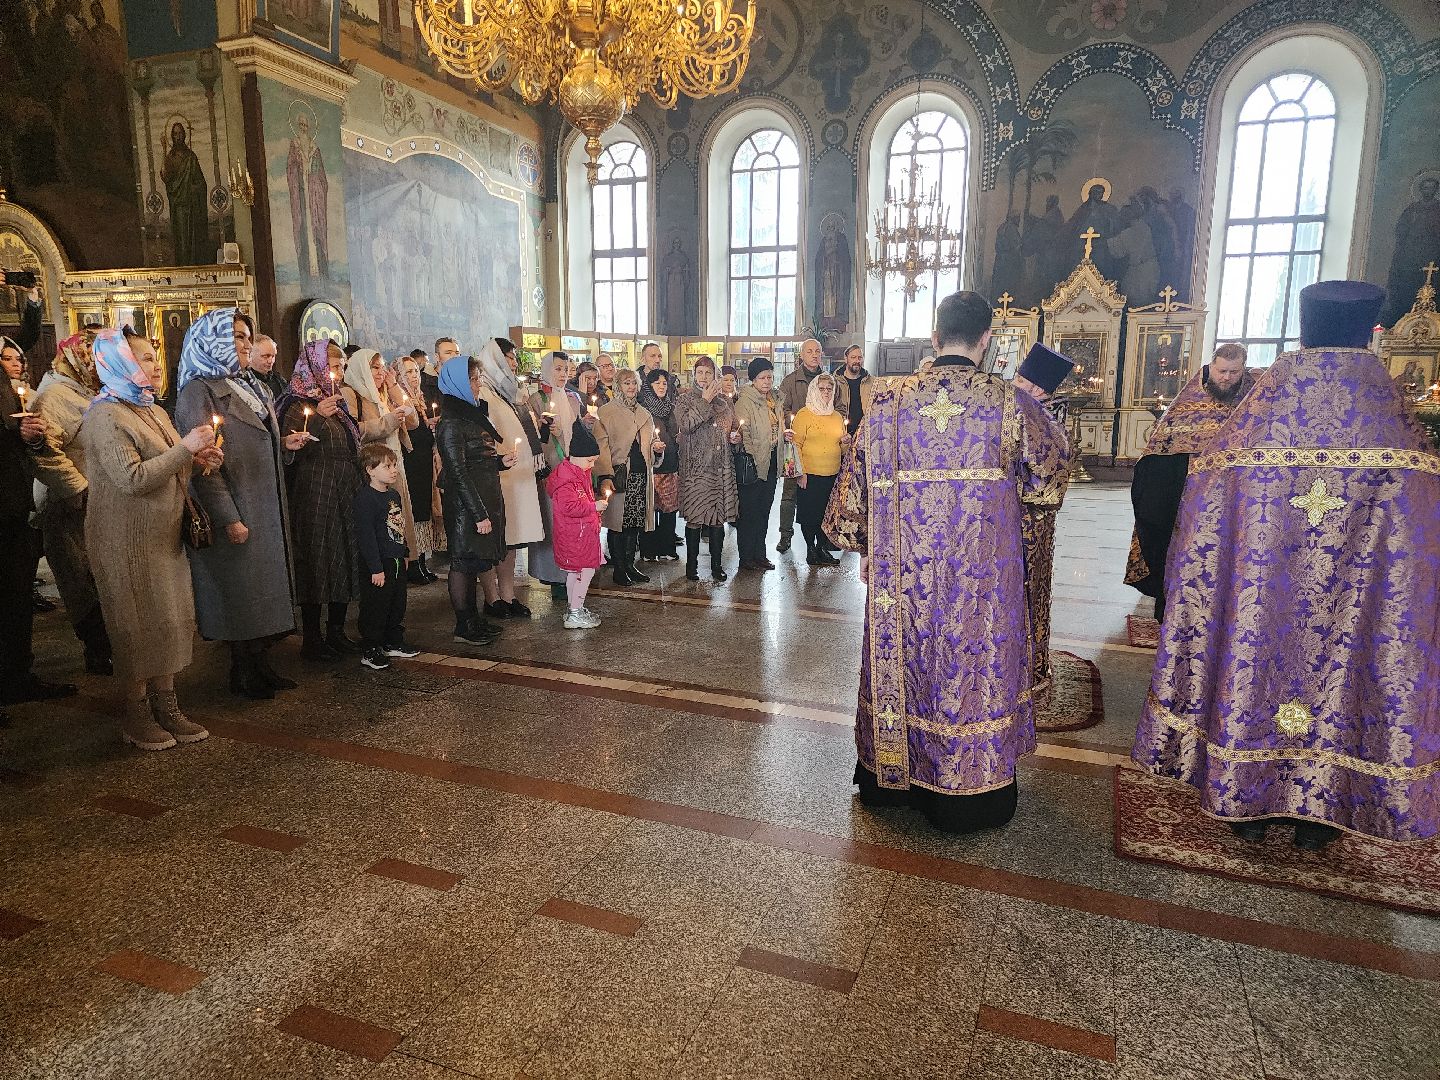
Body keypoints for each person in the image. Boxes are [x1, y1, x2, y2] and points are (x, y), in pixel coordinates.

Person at [1131, 280, 1440, 849]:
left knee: (1259, 662)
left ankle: (1244, 790)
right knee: (1338, 671)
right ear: (1371, 329)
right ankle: (1318, 808)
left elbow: (1202, 509)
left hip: (1263, 592)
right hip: (1350, 602)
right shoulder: (1393, 419)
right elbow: (1419, 536)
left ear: (1305, 326)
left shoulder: (1264, 408)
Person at [825, 291, 1071, 833]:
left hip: (903, 575)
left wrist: (870, 547)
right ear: (986, 340)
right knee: (970, 666)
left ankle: (892, 780)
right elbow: (1051, 480)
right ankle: (968, 791)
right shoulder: (1011, 405)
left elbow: (849, 503)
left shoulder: (887, 405)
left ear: (934, 339)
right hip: (981, 576)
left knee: (910, 658)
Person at [81, 329, 222, 750]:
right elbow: (131, 477)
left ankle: (168, 704)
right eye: (144, 358)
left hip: (163, 537)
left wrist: (200, 460)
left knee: (171, 621)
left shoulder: (151, 409)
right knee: (136, 626)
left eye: (156, 357)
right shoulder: (105, 416)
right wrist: (186, 451)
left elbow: (168, 466)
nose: (156, 365)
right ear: (118, 363)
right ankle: (136, 712)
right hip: (125, 541)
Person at [176, 308, 305, 699]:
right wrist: (227, 517)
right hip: (237, 506)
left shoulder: (253, 385)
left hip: (264, 501)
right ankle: (242, 670)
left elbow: (259, 439)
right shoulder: (198, 391)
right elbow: (204, 466)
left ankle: (262, 665)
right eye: (235, 337)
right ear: (211, 341)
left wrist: (284, 445)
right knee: (241, 594)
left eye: (247, 336)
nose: (245, 344)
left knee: (263, 593)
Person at [1124, 342, 1255, 620]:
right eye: (1221, 371)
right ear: (1211, 365)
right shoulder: (1189, 401)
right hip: (1191, 502)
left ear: (1243, 368)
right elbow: (1160, 446)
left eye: (1233, 372)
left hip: (1239, 499)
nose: (1226, 378)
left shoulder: (1254, 401)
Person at [28, 333, 112, 674]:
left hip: (98, 502)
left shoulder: (86, 391)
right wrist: (76, 489)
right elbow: (44, 451)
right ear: (77, 360)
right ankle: (96, 648)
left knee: (101, 576)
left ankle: (108, 644)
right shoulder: (54, 396)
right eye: (92, 359)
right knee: (79, 578)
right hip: (69, 505)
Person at [275, 339, 363, 661]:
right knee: (317, 560)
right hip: (315, 492)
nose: (337, 374)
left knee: (345, 555)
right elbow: (289, 447)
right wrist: (315, 420)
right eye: (332, 367)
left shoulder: (335, 401)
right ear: (313, 366)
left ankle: (337, 631)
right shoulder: (296, 403)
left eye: (340, 368)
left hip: (345, 488)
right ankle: (312, 638)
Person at [1012, 343, 1075, 708]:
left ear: (1040, 390)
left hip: (1029, 524)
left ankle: (1025, 667)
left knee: (1027, 593)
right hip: (1021, 522)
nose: (1017, 386)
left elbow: (1052, 482)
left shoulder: (1040, 418)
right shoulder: (1031, 413)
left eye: (1024, 381)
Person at [437, 355, 515, 646]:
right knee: (463, 562)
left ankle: (473, 620)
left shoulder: (471, 414)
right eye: (472, 379)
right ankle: (463, 624)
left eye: (478, 378)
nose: (478, 384)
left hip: (482, 497)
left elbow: (478, 461)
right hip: (465, 506)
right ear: (457, 382)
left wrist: (500, 463)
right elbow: (457, 472)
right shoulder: (451, 423)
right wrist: (478, 513)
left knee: (473, 561)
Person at [473, 337, 543, 618]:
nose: (513, 364)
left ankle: (508, 594)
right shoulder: (484, 395)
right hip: (498, 476)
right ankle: (492, 599)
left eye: (514, 359)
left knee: (512, 539)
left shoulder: (508, 392)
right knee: (495, 540)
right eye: (508, 359)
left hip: (518, 475)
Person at [343, 349, 422, 563]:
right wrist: (388, 422)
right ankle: (382, 566)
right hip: (373, 470)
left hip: (394, 464)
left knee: (398, 517)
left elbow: (413, 422)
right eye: (375, 368)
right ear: (361, 369)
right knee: (381, 522)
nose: (380, 372)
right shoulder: (352, 394)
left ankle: (402, 562)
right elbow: (352, 429)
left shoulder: (384, 394)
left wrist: (394, 386)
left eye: (382, 367)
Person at [594, 368, 664, 586]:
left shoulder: (644, 412)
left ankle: (629, 563)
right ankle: (618, 568)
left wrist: (657, 449)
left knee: (634, 522)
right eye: (626, 383)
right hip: (620, 475)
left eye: (634, 383)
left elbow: (649, 444)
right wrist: (606, 474)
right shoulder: (606, 412)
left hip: (641, 474)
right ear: (617, 386)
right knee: (618, 524)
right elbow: (601, 447)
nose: (631, 387)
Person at [353, 443, 419, 671]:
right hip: (378, 563)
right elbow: (366, 536)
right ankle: (371, 649)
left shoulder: (393, 495)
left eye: (394, 465)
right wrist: (375, 568)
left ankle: (392, 641)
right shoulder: (365, 498)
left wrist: (406, 552)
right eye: (387, 466)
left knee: (396, 602)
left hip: (396, 559)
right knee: (376, 606)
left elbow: (399, 527)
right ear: (370, 469)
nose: (393, 470)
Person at [676, 356, 739, 582]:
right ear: (694, 376)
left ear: (716, 376)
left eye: (708, 373)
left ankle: (716, 566)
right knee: (694, 518)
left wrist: (735, 436)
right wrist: (704, 400)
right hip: (696, 469)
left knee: (717, 519)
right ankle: (691, 567)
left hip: (720, 467)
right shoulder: (685, 400)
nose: (704, 378)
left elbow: (731, 428)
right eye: (700, 373)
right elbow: (686, 425)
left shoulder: (726, 402)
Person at [528, 351, 583, 599]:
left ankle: (573, 570)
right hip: (552, 469)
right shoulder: (536, 399)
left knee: (572, 523)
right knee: (554, 524)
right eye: (558, 369)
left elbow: (578, 430)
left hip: (573, 469)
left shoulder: (572, 398)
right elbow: (534, 439)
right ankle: (554, 576)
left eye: (566, 369)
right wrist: (548, 430)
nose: (562, 374)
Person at [547, 420, 606, 629]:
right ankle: (575, 612)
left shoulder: (579, 474)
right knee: (584, 573)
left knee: (576, 573)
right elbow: (570, 507)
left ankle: (574, 608)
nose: (592, 465)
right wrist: (593, 507)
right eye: (590, 460)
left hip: (581, 535)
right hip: (576, 537)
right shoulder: (567, 481)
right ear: (577, 457)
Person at [788, 372, 848, 567]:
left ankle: (822, 548)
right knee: (810, 515)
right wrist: (800, 472)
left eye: (829, 389)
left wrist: (846, 443)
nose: (826, 392)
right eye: (821, 388)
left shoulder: (837, 416)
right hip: (810, 474)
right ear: (814, 390)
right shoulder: (804, 415)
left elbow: (842, 447)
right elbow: (795, 445)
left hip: (832, 474)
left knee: (827, 515)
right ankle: (810, 549)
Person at [732, 357, 785, 571]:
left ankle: (760, 554)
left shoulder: (775, 400)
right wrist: (754, 458)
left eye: (770, 377)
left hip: (771, 461)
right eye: (762, 377)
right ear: (753, 379)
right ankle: (746, 557)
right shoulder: (745, 401)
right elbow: (743, 434)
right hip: (752, 463)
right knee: (749, 514)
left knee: (764, 512)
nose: (766, 381)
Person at [393, 353, 439, 585]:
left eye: (415, 371)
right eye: (408, 372)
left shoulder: (419, 397)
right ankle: (412, 564)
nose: (414, 376)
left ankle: (421, 561)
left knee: (424, 511)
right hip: (410, 462)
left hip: (423, 462)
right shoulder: (398, 399)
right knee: (414, 511)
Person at [777, 338, 825, 552]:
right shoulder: (790, 381)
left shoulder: (828, 380)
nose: (814, 355)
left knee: (818, 493)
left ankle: (822, 538)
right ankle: (785, 535)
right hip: (794, 444)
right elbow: (782, 409)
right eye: (809, 351)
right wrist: (796, 421)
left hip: (820, 446)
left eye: (817, 351)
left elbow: (838, 407)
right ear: (802, 355)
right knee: (790, 492)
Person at [637, 366, 681, 562]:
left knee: (669, 509)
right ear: (649, 386)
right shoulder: (643, 408)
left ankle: (667, 547)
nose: (662, 386)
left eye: (665, 383)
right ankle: (648, 549)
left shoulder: (671, 407)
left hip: (670, 465)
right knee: (651, 509)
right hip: (651, 467)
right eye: (657, 383)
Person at [834, 344, 872, 435]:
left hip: (864, 433)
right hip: (841, 432)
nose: (857, 361)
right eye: (853, 357)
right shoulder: (834, 382)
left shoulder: (871, 382)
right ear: (846, 359)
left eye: (860, 358)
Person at [249, 334, 288, 399]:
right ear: (251, 355)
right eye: (265, 356)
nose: (270, 361)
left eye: (273, 356)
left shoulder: (279, 380)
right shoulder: (244, 382)